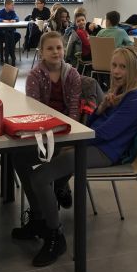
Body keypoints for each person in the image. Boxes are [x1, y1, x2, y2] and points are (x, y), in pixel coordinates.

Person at [12, 46, 137, 266]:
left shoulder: (136, 98)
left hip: (105, 152)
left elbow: (105, 134)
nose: (116, 71)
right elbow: (92, 124)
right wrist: (101, 108)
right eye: (114, 65)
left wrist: (74, 143)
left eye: (123, 67)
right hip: (89, 142)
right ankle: (38, 218)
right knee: (20, 157)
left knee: (40, 177)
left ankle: (55, 235)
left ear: (134, 70)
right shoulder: (119, 93)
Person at [20, 31, 82, 208]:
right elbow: (35, 110)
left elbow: (74, 108)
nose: (55, 52)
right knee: (19, 157)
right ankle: (39, 204)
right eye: (50, 48)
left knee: (72, 152)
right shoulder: (34, 76)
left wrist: (69, 135)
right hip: (44, 130)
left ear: (64, 50)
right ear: (41, 52)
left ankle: (60, 183)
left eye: (59, 47)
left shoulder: (72, 74)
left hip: (66, 128)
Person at [0, 0, 22, 65]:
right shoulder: (1, 11)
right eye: (12, 5)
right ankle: (12, 55)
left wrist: (14, 20)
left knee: (17, 35)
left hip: (11, 32)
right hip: (2, 33)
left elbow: (17, 18)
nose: (13, 6)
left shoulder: (12, 12)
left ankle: (7, 50)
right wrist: (3, 20)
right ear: (6, 5)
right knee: (9, 37)